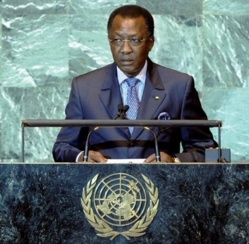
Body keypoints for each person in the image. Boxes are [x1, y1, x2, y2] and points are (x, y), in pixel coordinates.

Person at [52, 4, 218, 163]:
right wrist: (82, 157)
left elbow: (207, 148)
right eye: (117, 40)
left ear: (150, 42)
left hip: (161, 187)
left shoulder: (179, 86)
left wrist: (175, 161)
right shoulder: (84, 87)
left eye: (135, 40)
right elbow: (62, 147)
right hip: (102, 188)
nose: (125, 49)